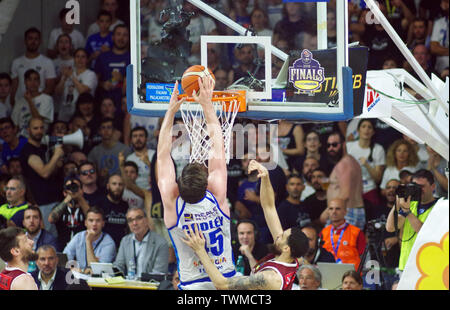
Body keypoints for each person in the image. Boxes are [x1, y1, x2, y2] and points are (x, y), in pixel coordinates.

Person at [156, 76, 236, 290]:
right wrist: (207, 104)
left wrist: (171, 111)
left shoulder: (172, 200)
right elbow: (217, 146)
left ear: (178, 184)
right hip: (227, 279)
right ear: (206, 183)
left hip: (193, 285)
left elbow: (163, 155)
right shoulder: (216, 193)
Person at [183, 160, 310, 290]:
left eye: (282, 236)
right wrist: (265, 177)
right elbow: (269, 208)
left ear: (286, 248)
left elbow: (222, 284)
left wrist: (200, 250)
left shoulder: (271, 278)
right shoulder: (292, 259)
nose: (278, 234)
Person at [386, 169, 439, 271]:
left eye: (422, 186)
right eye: (415, 186)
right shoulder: (411, 204)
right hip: (406, 265)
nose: (418, 190)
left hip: (427, 267)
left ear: (433, 187)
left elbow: (426, 233)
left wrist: (408, 212)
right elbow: (391, 227)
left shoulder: (439, 206)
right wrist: (398, 202)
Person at [19, 117, 63, 237]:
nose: (39, 131)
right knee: (48, 237)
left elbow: (52, 171)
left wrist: (57, 161)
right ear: (28, 130)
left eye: (41, 128)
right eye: (35, 128)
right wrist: (56, 155)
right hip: (41, 202)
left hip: (54, 200)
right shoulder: (28, 150)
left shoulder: (43, 148)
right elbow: (44, 173)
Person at [113, 207, 169, 278]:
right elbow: (119, 265)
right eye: (130, 220)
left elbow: (159, 273)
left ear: (146, 220)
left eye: (138, 218)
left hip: (150, 286)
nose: (134, 223)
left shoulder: (161, 243)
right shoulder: (125, 241)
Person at [326, 131, 366, 230]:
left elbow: (345, 194)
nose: (331, 148)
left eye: (335, 145)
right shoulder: (351, 161)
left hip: (346, 214)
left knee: (335, 245)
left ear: (344, 145)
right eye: (329, 145)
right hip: (353, 211)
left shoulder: (344, 164)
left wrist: (327, 212)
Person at [345, 119, 385, 209]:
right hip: (351, 190)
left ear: (373, 132)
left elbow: (378, 178)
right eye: (363, 126)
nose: (366, 130)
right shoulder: (349, 146)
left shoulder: (378, 149)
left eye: (369, 127)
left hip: (369, 190)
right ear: (358, 130)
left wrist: (366, 164)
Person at [63, 206, 116, 273]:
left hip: (99, 281)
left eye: (98, 221)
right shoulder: (78, 237)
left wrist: (88, 241)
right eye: (91, 220)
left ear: (103, 223)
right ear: (85, 223)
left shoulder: (109, 243)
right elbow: (64, 260)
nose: (94, 224)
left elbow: (97, 272)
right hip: (80, 278)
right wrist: (71, 269)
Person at [10, 27, 56, 102]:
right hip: (21, 104)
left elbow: (50, 88)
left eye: (36, 39)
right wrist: (13, 101)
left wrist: (36, 100)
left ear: (40, 41)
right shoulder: (16, 62)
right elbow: (14, 86)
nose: (33, 41)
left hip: (39, 104)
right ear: (25, 41)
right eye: (30, 38)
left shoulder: (48, 62)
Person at [320, 198, 366, 270]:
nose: (334, 212)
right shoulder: (323, 232)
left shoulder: (357, 232)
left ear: (345, 212)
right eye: (331, 209)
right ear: (328, 211)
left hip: (351, 276)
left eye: (338, 209)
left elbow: (365, 258)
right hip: (329, 273)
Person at [54, 48, 98, 122]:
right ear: (74, 59)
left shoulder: (91, 74)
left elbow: (83, 92)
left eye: (83, 57)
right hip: (64, 113)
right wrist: (64, 78)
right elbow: (57, 93)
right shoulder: (69, 72)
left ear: (87, 59)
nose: (80, 59)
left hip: (81, 114)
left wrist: (72, 77)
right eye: (77, 56)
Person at [48, 175, 90, 250]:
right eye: (69, 187)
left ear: (82, 190)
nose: (73, 189)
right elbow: (51, 219)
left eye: (75, 187)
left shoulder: (86, 205)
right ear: (64, 192)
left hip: (83, 248)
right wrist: (67, 199)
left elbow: (91, 217)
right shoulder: (59, 207)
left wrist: (79, 197)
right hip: (63, 248)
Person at [94, 24, 130, 109]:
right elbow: (94, 80)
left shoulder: (133, 58)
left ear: (128, 38)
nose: (121, 38)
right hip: (102, 102)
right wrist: (103, 84)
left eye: (125, 35)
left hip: (124, 104)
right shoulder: (103, 57)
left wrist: (122, 79)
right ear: (112, 37)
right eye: (118, 34)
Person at [11, 69, 54, 138]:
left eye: (36, 79)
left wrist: (30, 101)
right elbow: (15, 126)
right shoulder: (19, 102)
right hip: (21, 138)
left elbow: (39, 120)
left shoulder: (47, 99)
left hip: (38, 138)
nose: (33, 83)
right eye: (29, 80)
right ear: (25, 82)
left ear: (39, 82)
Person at [88, 118, 131, 186]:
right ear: (99, 131)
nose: (106, 130)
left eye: (109, 127)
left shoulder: (125, 150)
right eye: (103, 128)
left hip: (122, 188)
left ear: (114, 130)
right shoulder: (94, 152)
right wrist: (99, 175)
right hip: (101, 188)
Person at [97, 174, 129, 247]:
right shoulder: (100, 204)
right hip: (103, 246)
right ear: (108, 186)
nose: (117, 187)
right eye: (114, 184)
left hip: (121, 247)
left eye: (120, 184)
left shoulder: (125, 205)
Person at [126, 126, 155, 190]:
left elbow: (160, 176)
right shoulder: (129, 158)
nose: (138, 139)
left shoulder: (154, 154)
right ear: (131, 140)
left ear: (146, 138)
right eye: (135, 136)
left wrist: (149, 164)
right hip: (134, 191)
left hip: (152, 190)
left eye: (141, 136)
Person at [430, 0, 449, 75]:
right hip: (440, 71)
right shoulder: (439, 23)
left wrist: (442, 50)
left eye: (447, 1)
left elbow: (437, 48)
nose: (443, 4)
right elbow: (434, 48)